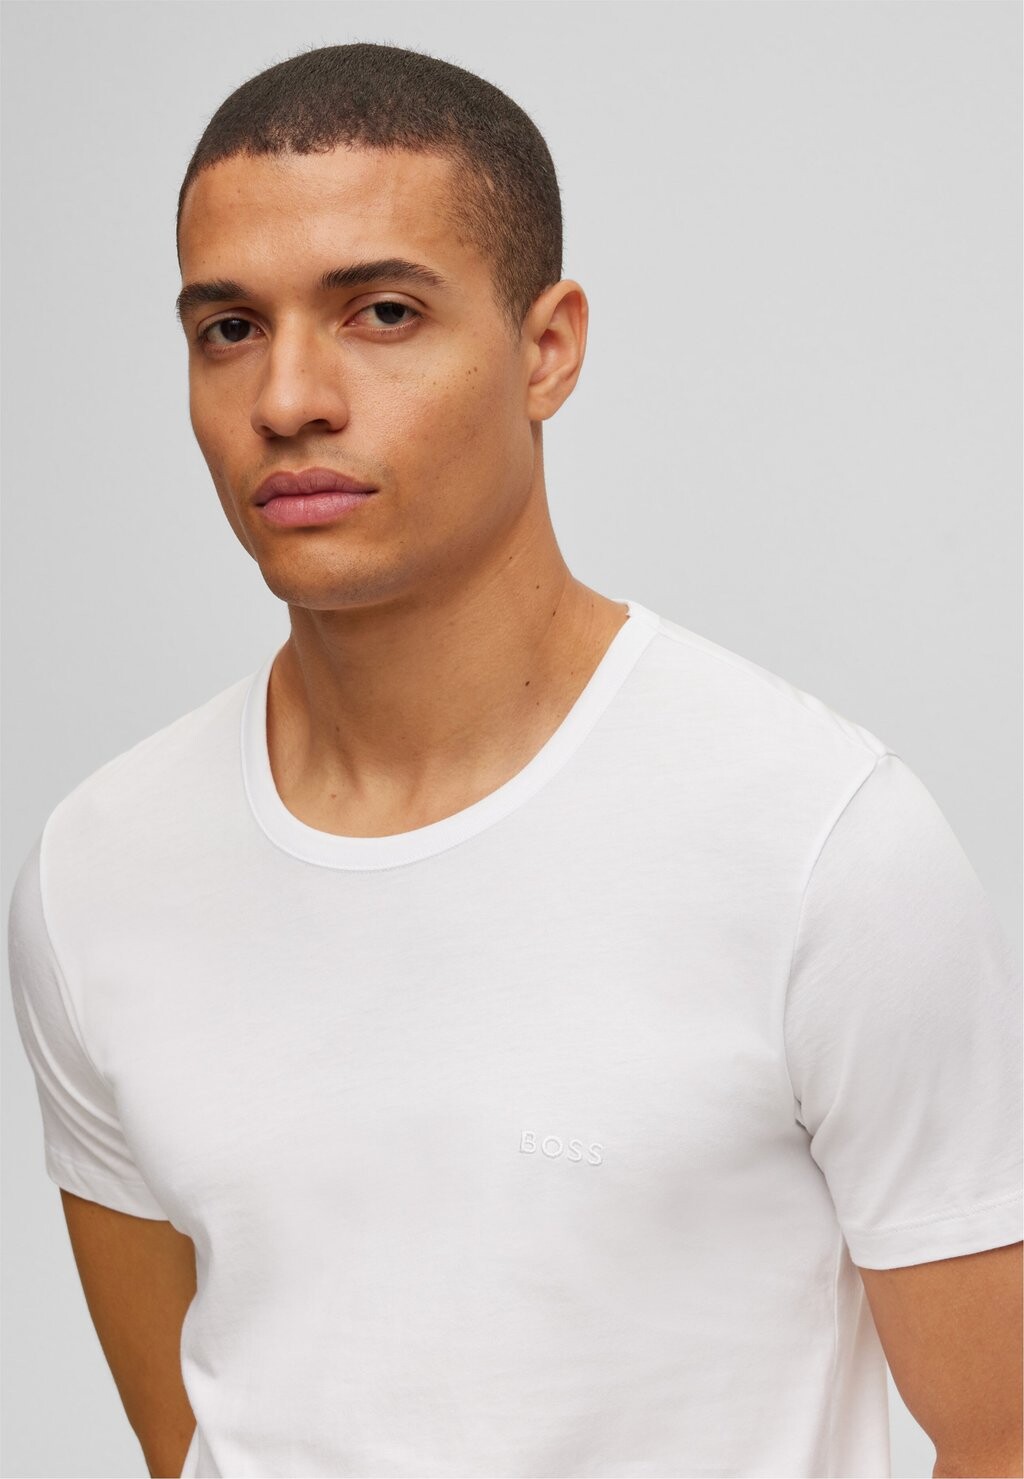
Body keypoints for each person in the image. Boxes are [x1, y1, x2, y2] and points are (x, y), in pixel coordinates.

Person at [7, 39, 1021, 1479]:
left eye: (382, 312)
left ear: (547, 350)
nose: (289, 397)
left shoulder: (817, 843)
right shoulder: (96, 872)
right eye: (228, 327)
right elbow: (190, 1435)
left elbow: (1001, 1438)